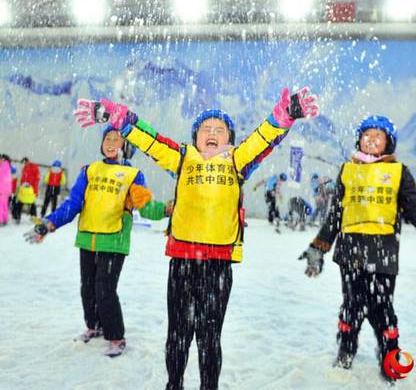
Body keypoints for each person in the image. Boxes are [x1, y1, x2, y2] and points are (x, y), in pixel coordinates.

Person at [74, 86, 318, 389]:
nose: (212, 132)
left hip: (217, 265)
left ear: (230, 138)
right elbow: (151, 142)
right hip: (182, 261)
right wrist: (120, 119)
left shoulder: (237, 160)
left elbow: (262, 139)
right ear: (195, 136)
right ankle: (173, 384)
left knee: (209, 337)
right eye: (205, 128)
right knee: (178, 334)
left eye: (220, 129)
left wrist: (284, 116)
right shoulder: (183, 158)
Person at [299, 115, 416, 382]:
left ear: (388, 143)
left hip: (383, 253)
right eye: (366, 134)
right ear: (358, 139)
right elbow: (335, 214)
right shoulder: (348, 169)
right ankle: (346, 348)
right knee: (351, 306)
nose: (371, 139)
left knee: (383, 309)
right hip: (350, 251)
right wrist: (318, 247)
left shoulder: (398, 172)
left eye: (378, 135)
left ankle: (390, 356)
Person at [24, 126, 169, 356]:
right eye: (107, 139)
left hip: (114, 240)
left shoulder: (133, 175)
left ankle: (116, 336)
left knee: (105, 290)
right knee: (88, 289)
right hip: (87, 240)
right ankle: (94, 326)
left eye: (117, 139)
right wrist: (48, 225)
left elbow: (146, 206)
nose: (111, 143)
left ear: (127, 146)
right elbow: (73, 204)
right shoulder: (90, 171)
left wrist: (168, 209)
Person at [0, 154, 12, 226]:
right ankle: (5, 219)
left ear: (3, 159)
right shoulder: (7, 166)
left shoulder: (3, 167)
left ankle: (0, 221)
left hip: (2, 190)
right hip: (6, 190)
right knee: (4, 205)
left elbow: (0, 180)